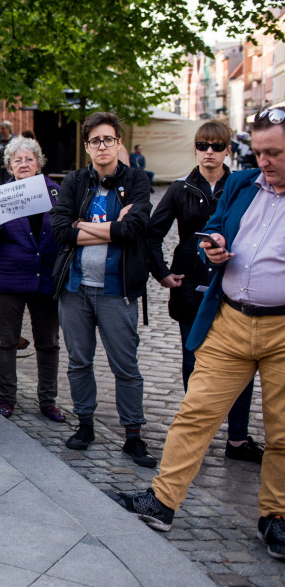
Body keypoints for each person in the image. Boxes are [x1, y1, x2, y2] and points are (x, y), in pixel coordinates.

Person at [114, 107, 285, 562]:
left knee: (283, 431)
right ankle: (162, 501)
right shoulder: (243, 185)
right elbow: (215, 229)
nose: (263, 161)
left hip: (282, 329)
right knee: (195, 413)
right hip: (229, 320)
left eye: (275, 153)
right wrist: (215, 249)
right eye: (260, 151)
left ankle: (276, 516)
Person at [146, 121, 262, 462]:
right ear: (195, 149)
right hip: (191, 285)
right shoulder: (181, 188)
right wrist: (163, 273)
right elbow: (153, 233)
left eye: (215, 146)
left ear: (228, 150)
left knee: (243, 362)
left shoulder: (244, 186)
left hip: (233, 282)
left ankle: (238, 439)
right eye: (202, 145)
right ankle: (195, 435)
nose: (208, 152)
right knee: (193, 360)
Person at [51, 111, 155, 467]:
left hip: (116, 289)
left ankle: (133, 434)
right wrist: (112, 226)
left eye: (108, 139)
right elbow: (61, 229)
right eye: (95, 141)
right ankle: (85, 424)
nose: (102, 146)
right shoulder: (75, 181)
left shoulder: (137, 180)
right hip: (75, 287)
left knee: (125, 365)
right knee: (79, 361)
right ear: (87, 147)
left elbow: (135, 228)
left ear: (118, 142)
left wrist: (87, 226)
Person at [0, 137, 63, 421]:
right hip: (9, 280)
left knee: (48, 342)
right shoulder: (2, 196)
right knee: (6, 341)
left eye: (29, 159)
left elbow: (65, 234)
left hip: (46, 279)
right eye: (17, 160)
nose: (24, 164)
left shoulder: (55, 192)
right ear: (10, 166)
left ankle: (48, 401)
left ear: (38, 163)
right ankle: (8, 398)